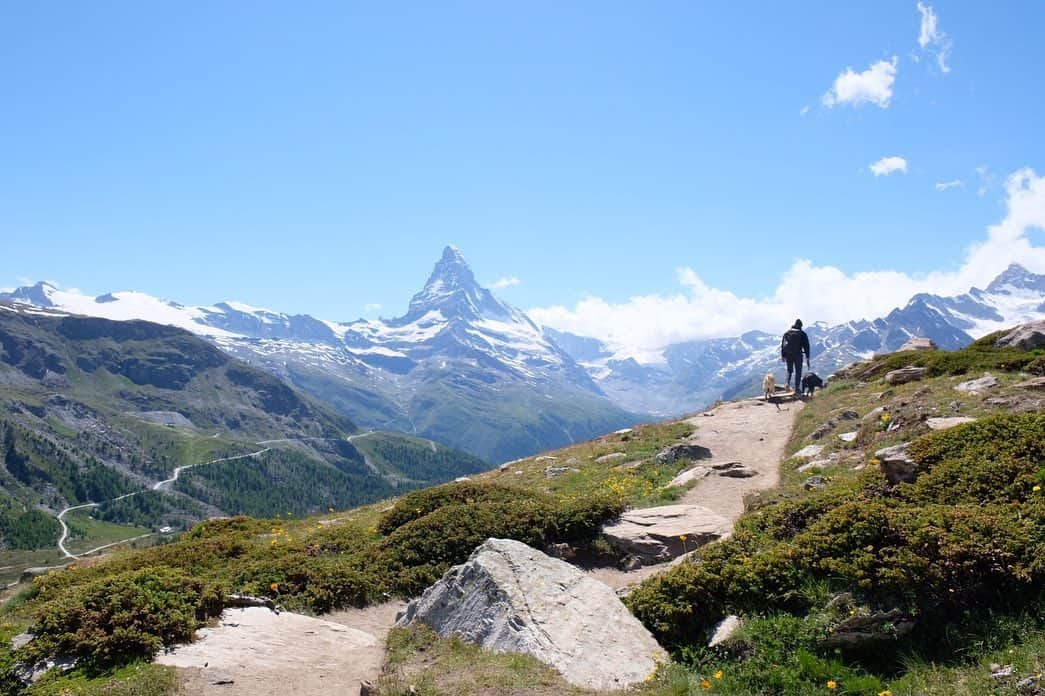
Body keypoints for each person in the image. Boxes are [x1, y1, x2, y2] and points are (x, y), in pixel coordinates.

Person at [780, 319, 811, 392]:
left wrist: (783, 355)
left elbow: (783, 344)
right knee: (798, 371)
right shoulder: (802, 333)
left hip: (788, 354)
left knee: (789, 370)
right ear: (800, 326)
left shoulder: (787, 333)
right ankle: (797, 388)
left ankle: (787, 383)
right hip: (798, 354)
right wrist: (807, 357)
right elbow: (806, 346)